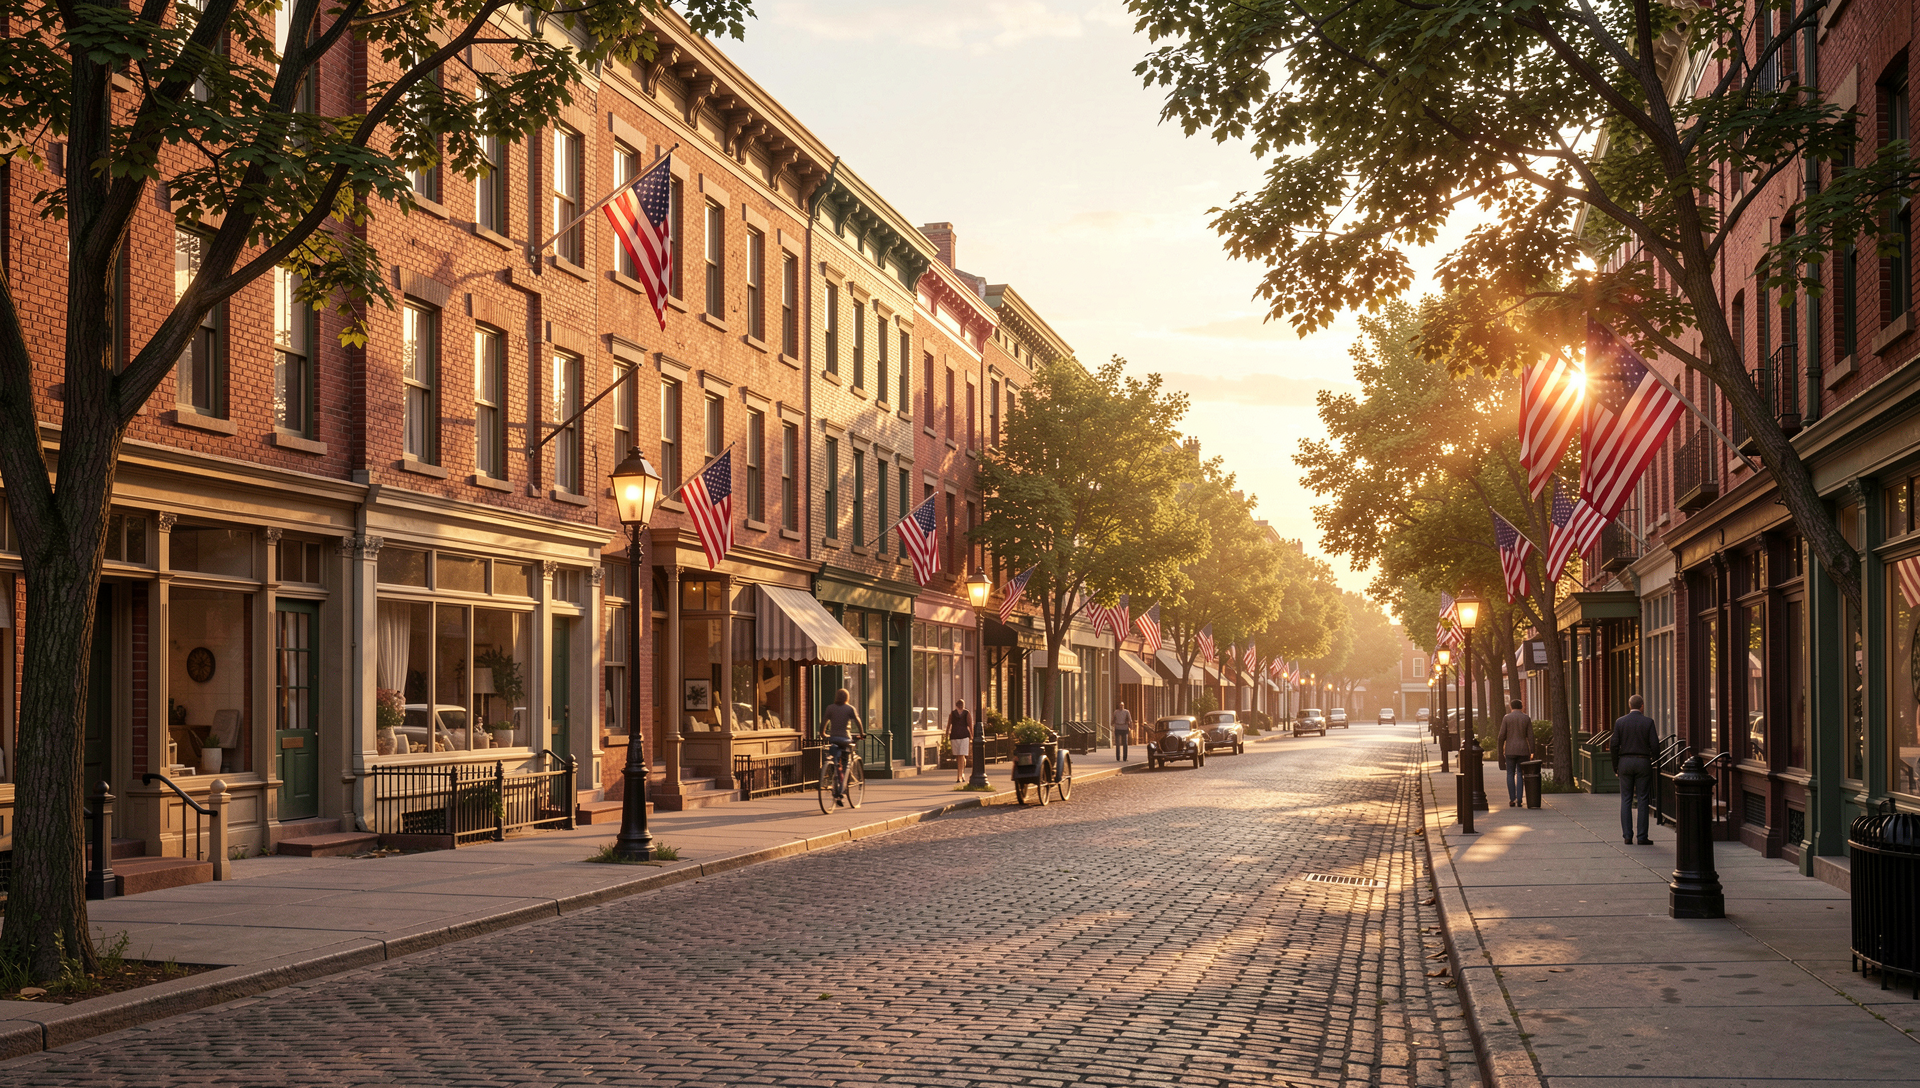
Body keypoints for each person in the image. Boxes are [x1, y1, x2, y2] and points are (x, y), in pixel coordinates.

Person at [1611, 694, 1659, 844]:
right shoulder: (1648, 722)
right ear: (1642, 706)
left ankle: (1627, 836)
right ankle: (1642, 836)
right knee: (1643, 799)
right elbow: (1655, 745)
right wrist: (1654, 759)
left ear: (1629, 705)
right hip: (1643, 761)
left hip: (1624, 762)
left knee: (1626, 799)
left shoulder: (1620, 722)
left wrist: (1616, 766)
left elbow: (1613, 745)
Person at [823, 688, 861, 806]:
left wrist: (822, 734)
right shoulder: (850, 708)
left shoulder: (830, 708)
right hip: (845, 739)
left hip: (833, 738)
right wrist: (862, 733)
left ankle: (834, 775)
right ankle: (842, 788)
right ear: (847, 698)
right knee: (845, 763)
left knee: (835, 760)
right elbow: (857, 721)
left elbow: (824, 721)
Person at [1497, 699, 1534, 807]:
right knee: (1520, 774)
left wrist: (1500, 750)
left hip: (1510, 750)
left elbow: (1501, 735)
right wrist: (1532, 750)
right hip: (1523, 750)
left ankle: (1512, 798)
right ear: (1522, 706)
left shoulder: (1507, 718)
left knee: (1510, 773)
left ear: (1511, 707)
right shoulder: (1526, 718)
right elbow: (1530, 736)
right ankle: (1519, 799)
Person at [947, 699, 973, 784]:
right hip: (955, 736)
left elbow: (970, 724)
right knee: (959, 756)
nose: (960, 706)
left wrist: (972, 735)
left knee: (961, 755)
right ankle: (961, 773)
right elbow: (949, 724)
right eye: (960, 705)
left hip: (964, 736)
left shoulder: (966, 713)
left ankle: (960, 775)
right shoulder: (952, 714)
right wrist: (947, 734)